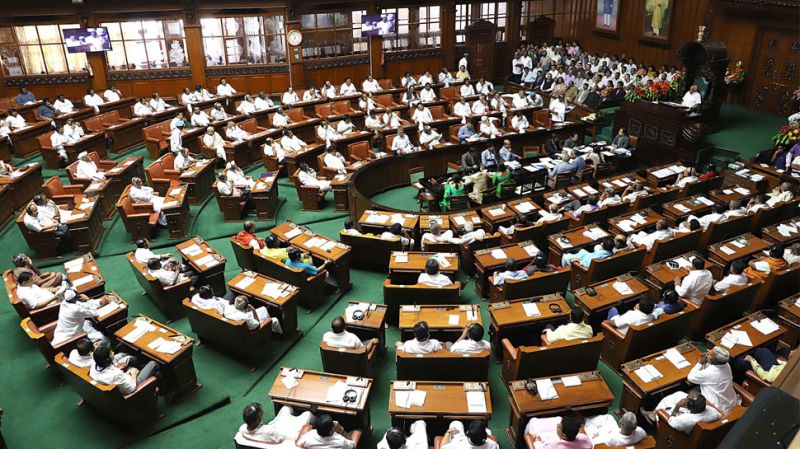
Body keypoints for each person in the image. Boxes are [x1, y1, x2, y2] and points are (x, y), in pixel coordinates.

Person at [90, 345, 159, 396]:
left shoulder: (93, 367)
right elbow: (131, 389)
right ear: (108, 360)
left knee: (131, 361)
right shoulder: (116, 374)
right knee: (154, 363)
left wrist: (128, 372)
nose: (113, 353)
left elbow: (118, 379)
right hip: (133, 386)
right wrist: (134, 374)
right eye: (111, 353)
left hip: (122, 383)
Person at [237, 403, 316, 446]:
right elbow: (291, 438)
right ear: (259, 419)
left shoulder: (242, 429)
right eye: (261, 415)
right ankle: (319, 421)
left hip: (274, 428)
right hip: (287, 432)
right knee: (307, 414)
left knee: (286, 408)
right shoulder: (271, 432)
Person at [527, 415, 592, 449]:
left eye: (559, 427)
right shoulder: (585, 440)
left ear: (564, 435)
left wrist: (537, 440)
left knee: (533, 423)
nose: (557, 425)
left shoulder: (553, 445)